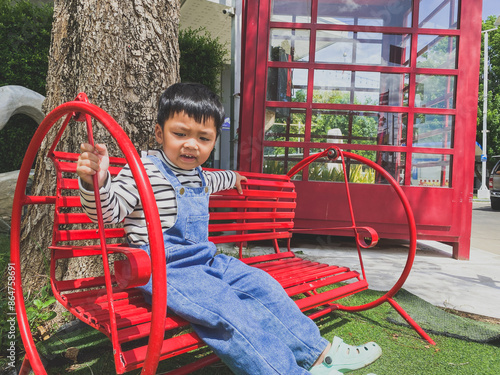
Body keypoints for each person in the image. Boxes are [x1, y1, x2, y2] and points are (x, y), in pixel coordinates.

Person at [76, 82, 382, 375]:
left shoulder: (198, 175)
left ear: (213, 141)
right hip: (163, 268)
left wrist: (233, 177)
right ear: (159, 132)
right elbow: (107, 213)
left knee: (263, 286)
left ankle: (319, 354)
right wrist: (98, 181)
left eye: (204, 138)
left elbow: (215, 179)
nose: (191, 145)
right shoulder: (141, 170)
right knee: (228, 313)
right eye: (180, 133)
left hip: (208, 261)